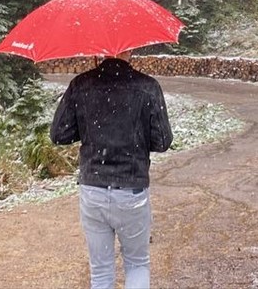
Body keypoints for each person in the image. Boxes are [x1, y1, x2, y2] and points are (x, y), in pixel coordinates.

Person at [50, 50, 173, 289]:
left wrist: (90, 126)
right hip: (132, 190)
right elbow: (162, 141)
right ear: (130, 48)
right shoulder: (148, 87)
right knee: (137, 264)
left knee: (101, 270)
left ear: (100, 50)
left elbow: (59, 134)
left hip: (93, 189)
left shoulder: (81, 85)